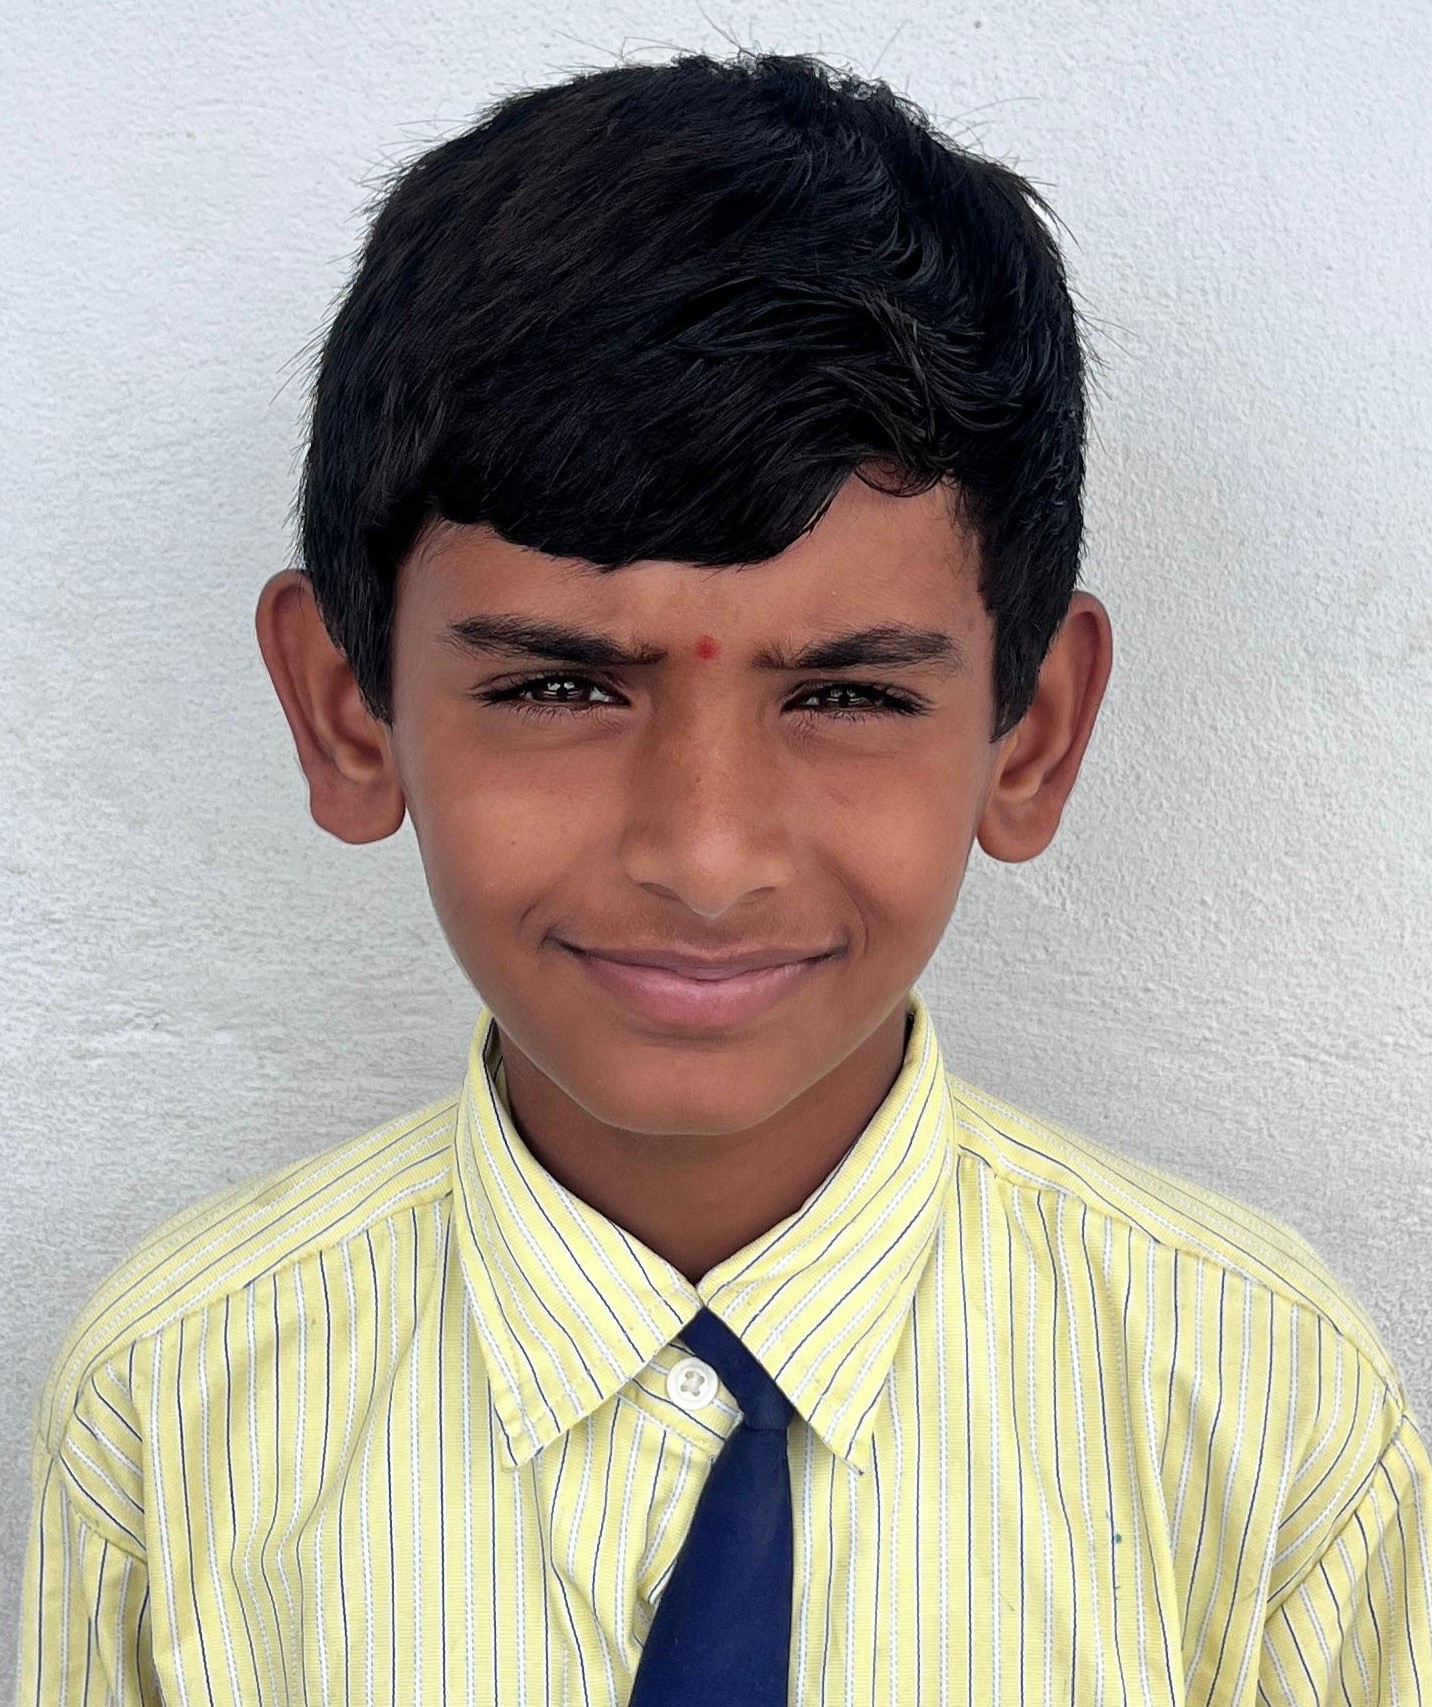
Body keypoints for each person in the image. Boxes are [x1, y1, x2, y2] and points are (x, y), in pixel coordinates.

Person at [17, 47, 1430, 1706]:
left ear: (1030, 736)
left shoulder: (1265, 1412)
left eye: (848, 697)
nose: (703, 859)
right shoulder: (175, 1407)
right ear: (349, 711)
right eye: (560, 686)